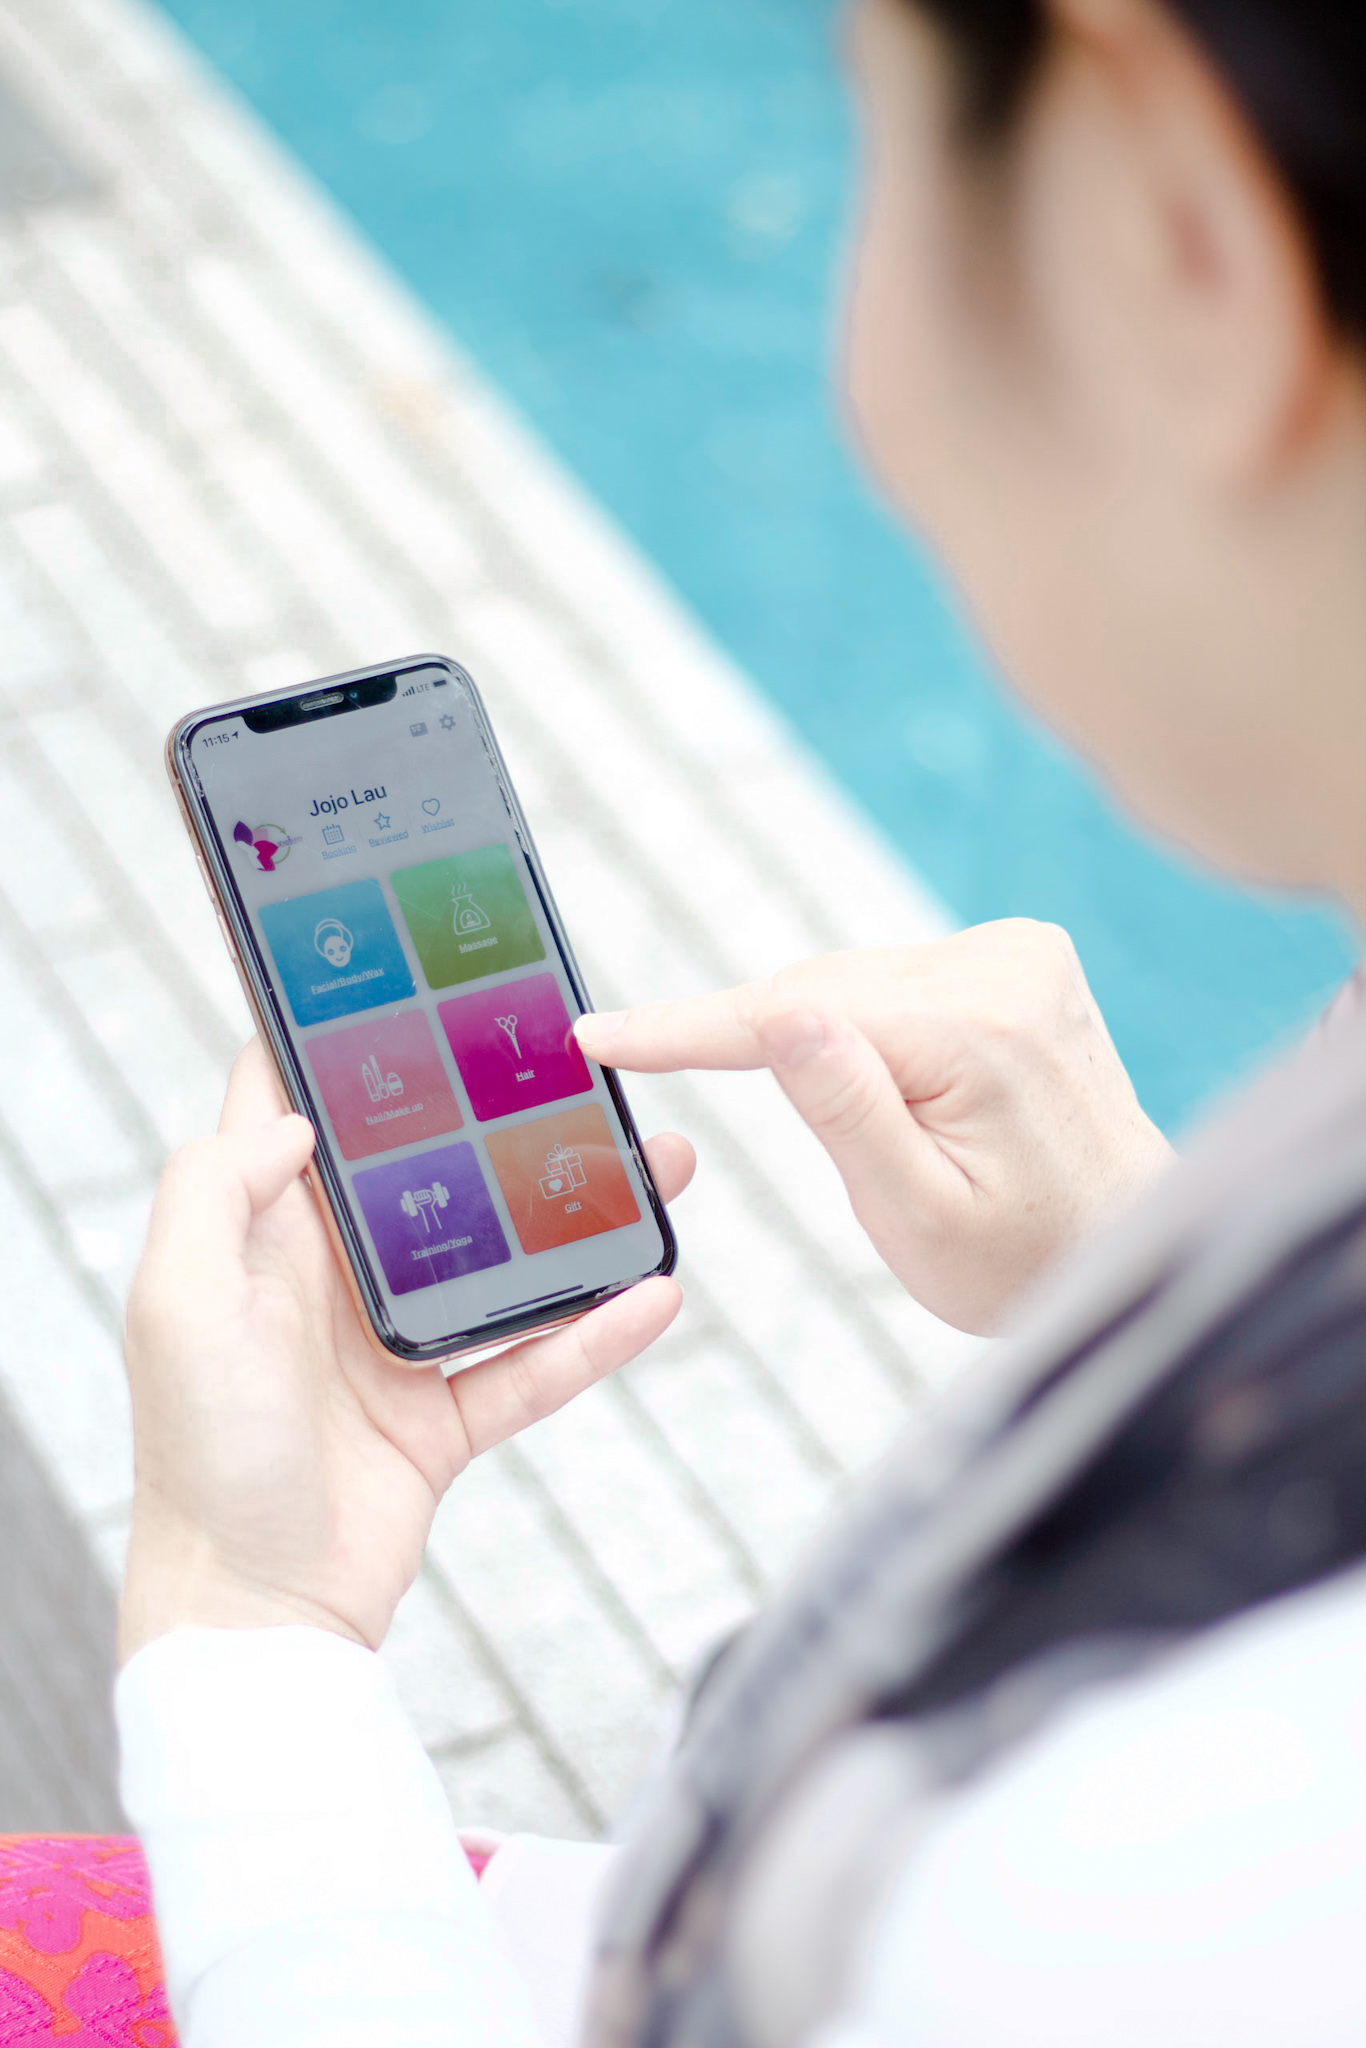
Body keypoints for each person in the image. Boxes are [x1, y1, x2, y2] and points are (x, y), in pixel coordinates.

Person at [115, 0, 1364, 2042]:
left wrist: (240, 1616)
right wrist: (1134, 1267)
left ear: (1173, 235)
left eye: (871, 132)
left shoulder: (1138, 1882)